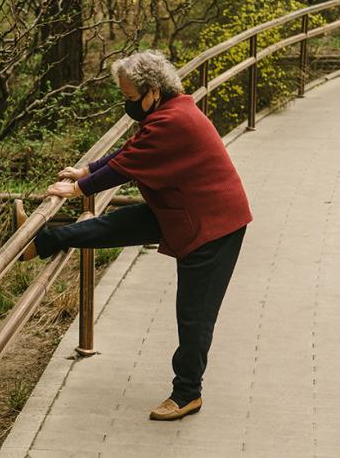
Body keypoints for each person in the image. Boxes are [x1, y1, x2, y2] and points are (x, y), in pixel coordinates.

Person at [14, 49, 253, 421]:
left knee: (194, 314)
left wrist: (80, 190)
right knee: (116, 224)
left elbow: (128, 165)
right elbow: (132, 150)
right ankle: (42, 242)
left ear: (153, 91)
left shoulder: (174, 121)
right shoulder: (168, 113)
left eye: (129, 97)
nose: (127, 105)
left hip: (212, 225)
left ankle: (187, 393)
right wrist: (87, 170)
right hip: (180, 208)